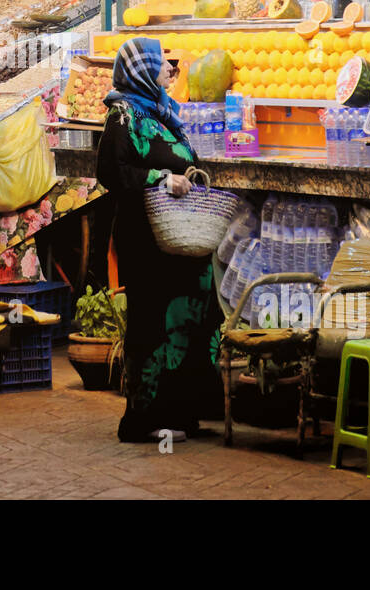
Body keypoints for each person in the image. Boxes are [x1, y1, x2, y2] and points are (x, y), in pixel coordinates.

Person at [96, 36, 221, 443]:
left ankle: (183, 413)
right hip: (145, 237)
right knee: (151, 322)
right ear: (139, 71)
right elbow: (112, 173)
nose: (167, 68)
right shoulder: (123, 114)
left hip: (177, 235)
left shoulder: (162, 110)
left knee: (185, 319)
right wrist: (161, 179)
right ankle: (142, 418)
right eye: (159, 62)